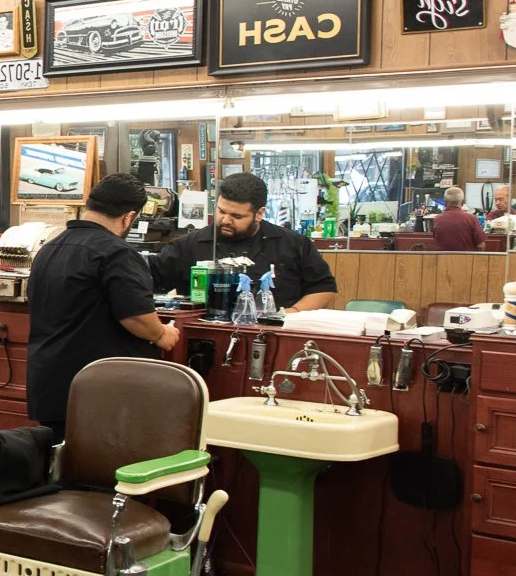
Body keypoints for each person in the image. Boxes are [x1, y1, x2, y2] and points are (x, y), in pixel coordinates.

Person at [27, 173, 180, 441]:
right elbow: (136, 317)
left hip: (51, 385)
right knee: (101, 473)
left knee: (61, 468)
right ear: (128, 218)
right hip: (100, 391)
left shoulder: (49, 249)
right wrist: (161, 334)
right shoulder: (116, 253)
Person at [148, 171, 337, 312]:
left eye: (237, 216)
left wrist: (291, 314)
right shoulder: (188, 246)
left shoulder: (293, 244)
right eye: (221, 211)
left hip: (276, 335)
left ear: (259, 213)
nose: (226, 220)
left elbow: (323, 288)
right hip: (205, 335)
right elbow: (148, 280)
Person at [431, 187, 487, 251]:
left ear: (445, 203)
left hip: (443, 259)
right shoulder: (471, 218)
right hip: (467, 259)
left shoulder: (437, 220)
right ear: (462, 202)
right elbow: (481, 246)